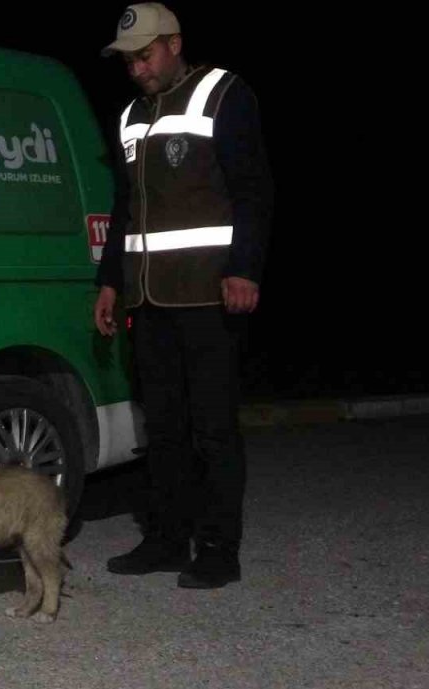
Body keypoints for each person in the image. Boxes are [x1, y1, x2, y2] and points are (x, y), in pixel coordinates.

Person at [93, 3, 274, 588]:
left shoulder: (223, 94)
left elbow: (253, 190)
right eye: (128, 61)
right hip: (147, 301)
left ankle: (220, 547)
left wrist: (244, 268)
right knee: (164, 429)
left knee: (213, 427)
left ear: (174, 43)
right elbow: (126, 208)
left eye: (145, 56)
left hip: (209, 296)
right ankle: (167, 539)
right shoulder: (128, 116)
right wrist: (109, 281)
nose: (137, 69)